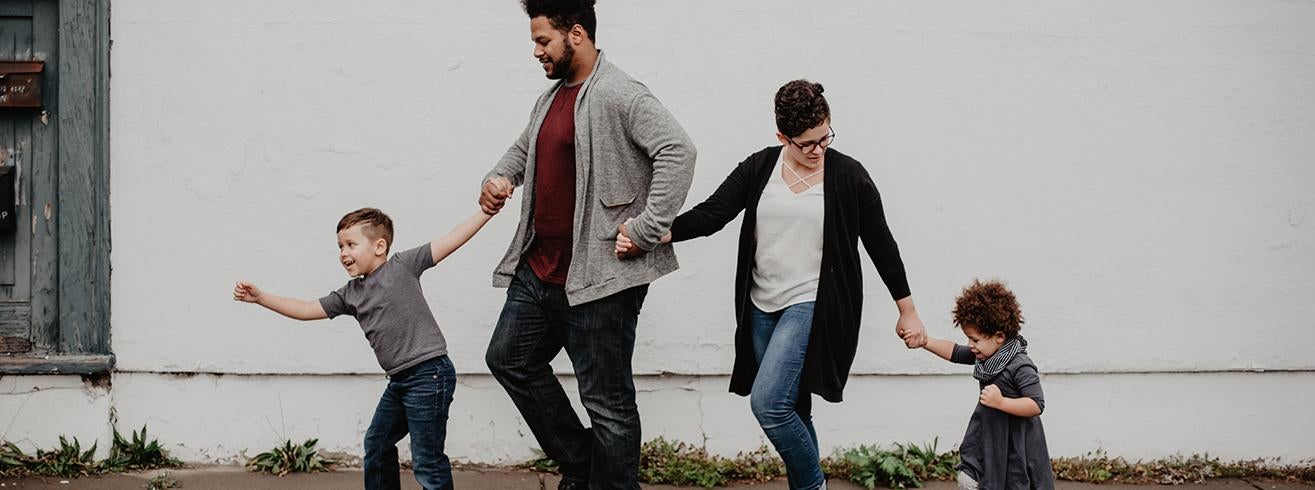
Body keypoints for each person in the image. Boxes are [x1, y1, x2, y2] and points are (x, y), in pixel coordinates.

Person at [617, 80, 927, 490]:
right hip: (761, 305)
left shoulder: (849, 176)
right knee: (794, 406)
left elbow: (881, 244)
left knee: (769, 405)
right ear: (782, 136)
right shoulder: (760, 167)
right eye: (806, 143)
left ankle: (813, 485)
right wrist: (654, 233)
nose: (818, 150)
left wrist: (907, 309)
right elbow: (713, 214)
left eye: (824, 137)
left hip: (812, 302)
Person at [479, 1, 697, 488]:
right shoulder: (552, 97)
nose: (536, 51)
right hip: (540, 270)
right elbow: (526, 147)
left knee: (607, 402)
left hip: (600, 279)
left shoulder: (621, 93)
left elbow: (678, 151)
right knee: (508, 359)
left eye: (542, 41)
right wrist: (499, 176)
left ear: (575, 34)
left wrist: (645, 229)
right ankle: (586, 468)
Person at [233, 207, 492, 490]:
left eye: (351, 245)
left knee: (427, 460)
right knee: (377, 443)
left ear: (379, 246)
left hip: (429, 374)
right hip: (400, 380)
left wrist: (486, 212)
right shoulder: (351, 294)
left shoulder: (402, 266)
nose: (343, 253)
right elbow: (306, 309)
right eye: (340, 246)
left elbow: (450, 240)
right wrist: (261, 298)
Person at [919, 279, 1054, 490]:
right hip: (993, 434)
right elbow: (954, 352)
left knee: (1015, 482)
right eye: (968, 339)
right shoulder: (986, 356)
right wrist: (925, 342)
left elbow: (1036, 404)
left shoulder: (1020, 365)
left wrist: (1001, 402)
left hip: (1018, 442)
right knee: (985, 478)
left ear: (999, 336)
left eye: (975, 340)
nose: (970, 346)